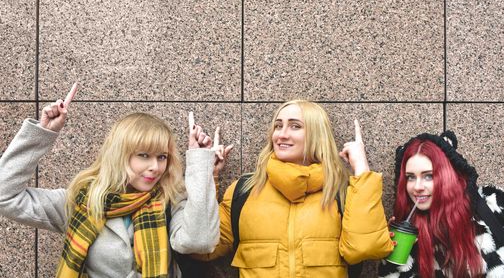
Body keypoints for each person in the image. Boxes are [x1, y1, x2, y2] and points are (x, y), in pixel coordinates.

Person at [0, 83, 220, 277]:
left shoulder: (170, 199)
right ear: (120, 155)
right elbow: (5, 196)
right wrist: (42, 133)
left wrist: (200, 161)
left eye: (162, 157)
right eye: (144, 155)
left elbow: (200, 242)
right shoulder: (81, 202)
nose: (155, 167)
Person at [193, 99, 394, 277]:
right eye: (278, 126)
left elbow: (365, 248)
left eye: (295, 126)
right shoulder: (244, 190)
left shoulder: (343, 191)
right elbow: (202, 248)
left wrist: (361, 168)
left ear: (317, 135)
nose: (282, 134)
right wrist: (207, 174)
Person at [378, 131, 504, 278]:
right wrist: (393, 252)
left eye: (429, 176)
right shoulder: (411, 237)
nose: (417, 187)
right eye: (410, 178)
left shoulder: (490, 207)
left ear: (449, 176)